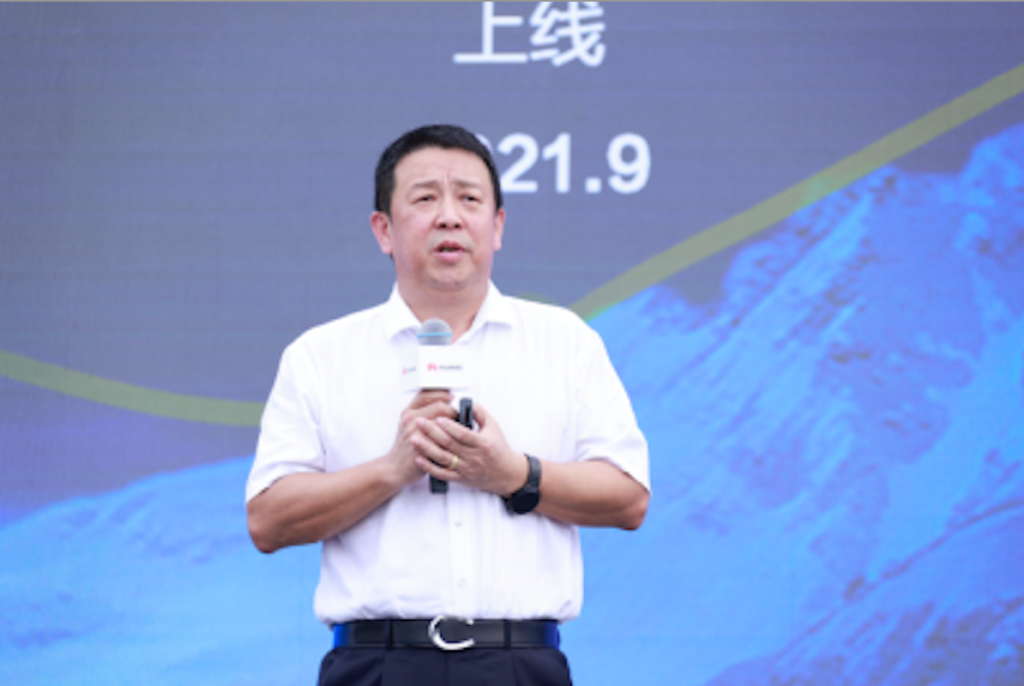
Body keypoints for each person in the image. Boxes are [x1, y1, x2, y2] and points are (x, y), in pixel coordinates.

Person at [246, 124, 650, 686]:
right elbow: (268, 520)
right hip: (377, 665)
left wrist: (514, 474)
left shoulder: (564, 342)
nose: (449, 217)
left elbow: (629, 498)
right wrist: (392, 470)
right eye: (425, 199)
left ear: (498, 226)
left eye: (469, 199)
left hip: (518, 664)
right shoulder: (320, 355)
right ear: (383, 230)